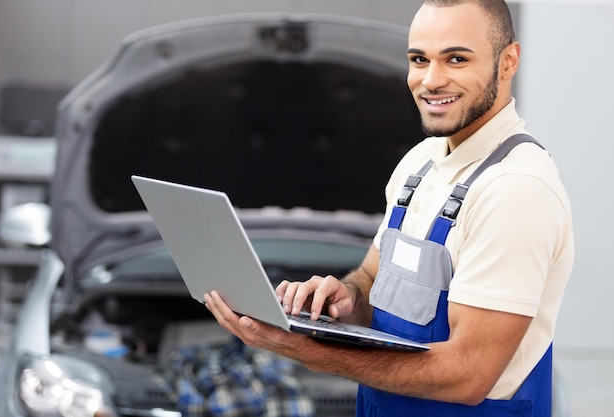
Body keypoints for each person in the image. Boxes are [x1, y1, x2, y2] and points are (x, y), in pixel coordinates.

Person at [204, 0, 574, 415]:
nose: (431, 80)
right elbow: (370, 279)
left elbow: (468, 375)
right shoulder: (420, 164)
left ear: (508, 62)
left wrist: (308, 351)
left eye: (455, 59)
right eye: (419, 59)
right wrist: (343, 298)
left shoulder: (515, 190)